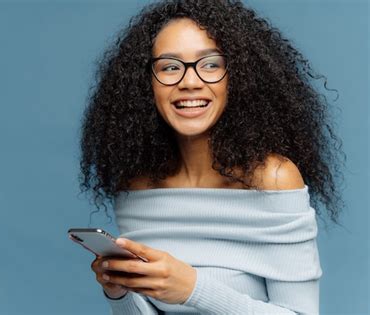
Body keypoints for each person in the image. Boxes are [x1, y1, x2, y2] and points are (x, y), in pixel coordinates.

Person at [79, 0, 346, 314]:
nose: (189, 82)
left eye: (210, 64)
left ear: (239, 77)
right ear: (145, 84)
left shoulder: (273, 178)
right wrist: (120, 292)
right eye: (169, 67)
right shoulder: (136, 186)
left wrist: (193, 289)